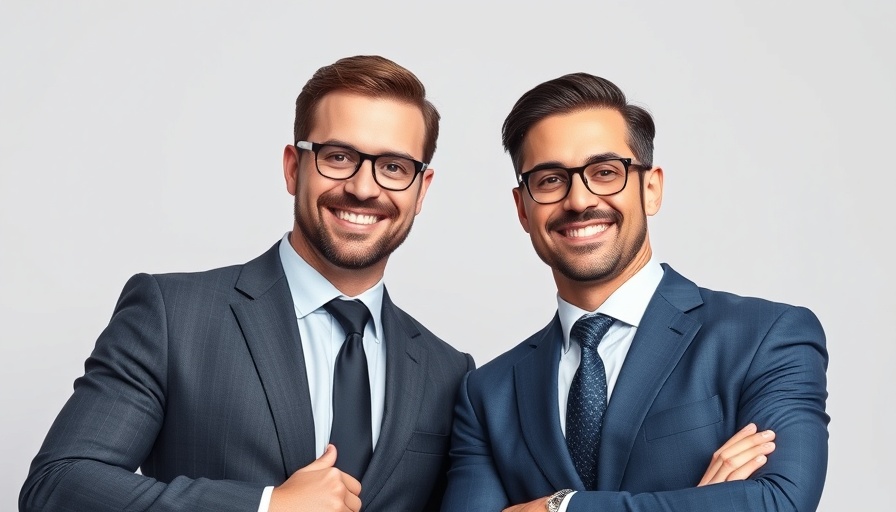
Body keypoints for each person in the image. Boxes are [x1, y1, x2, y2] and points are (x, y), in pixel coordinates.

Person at [20, 55, 474, 512]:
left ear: (421, 190)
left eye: (394, 167)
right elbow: (58, 486)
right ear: (294, 168)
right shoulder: (172, 315)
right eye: (339, 157)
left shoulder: (449, 372)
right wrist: (265, 506)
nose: (363, 187)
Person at [441, 73, 828, 511]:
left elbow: (780, 502)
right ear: (522, 209)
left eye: (605, 172)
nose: (579, 200)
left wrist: (560, 508)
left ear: (651, 188)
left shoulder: (766, 337)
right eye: (550, 180)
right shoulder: (487, 394)